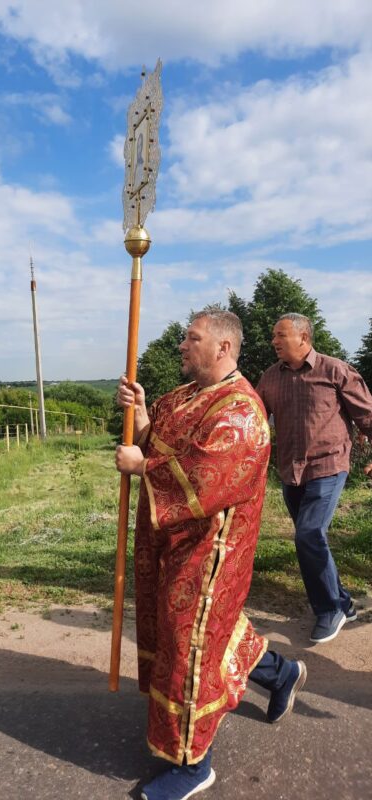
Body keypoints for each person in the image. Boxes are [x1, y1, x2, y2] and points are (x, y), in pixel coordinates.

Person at [116, 309, 306, 800]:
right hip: (174, 546)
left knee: (190, 648)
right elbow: (158, 440)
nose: (182, 344)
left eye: (192, 337)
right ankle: (281, 673)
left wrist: (143, 467)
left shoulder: (241, 411)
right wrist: (140, 419)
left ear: (223, 348)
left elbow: (203, 478)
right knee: (214, 633)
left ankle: (193, 763)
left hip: (211, 554)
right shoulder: (182, 398)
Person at [256, 313, 372, 644]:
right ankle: (344, 601)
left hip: (329, 466)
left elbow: (367, 415)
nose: (274, 341)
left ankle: (329, 609)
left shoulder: (334, 370)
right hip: (291, 471)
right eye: (273, 335)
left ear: (304, 338)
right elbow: (254, 416)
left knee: (308, 534)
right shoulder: (270, 377)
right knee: (311, 538)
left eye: (280, 335)